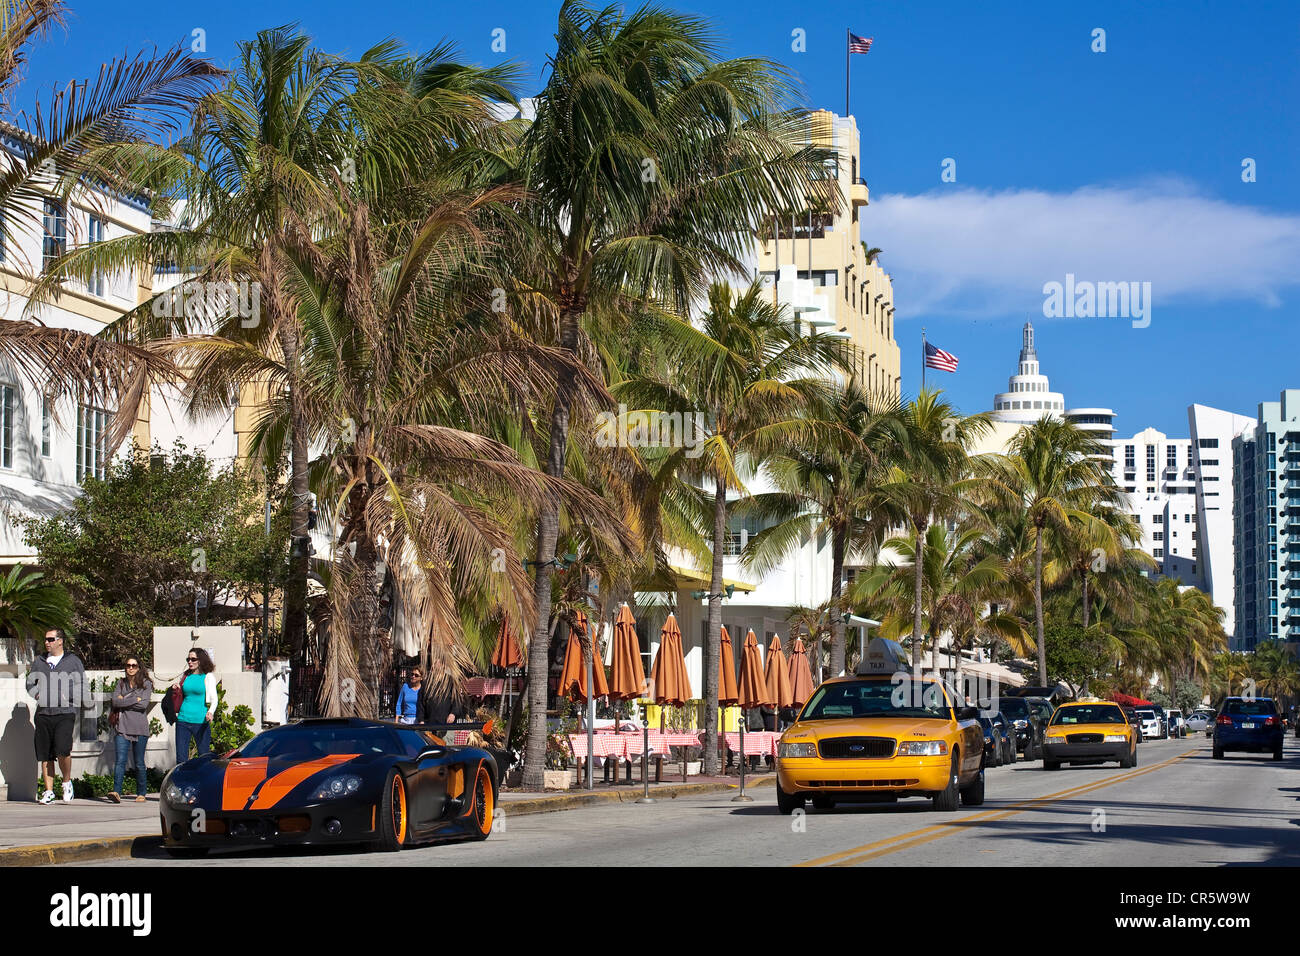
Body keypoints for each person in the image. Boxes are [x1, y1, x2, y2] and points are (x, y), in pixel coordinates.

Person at [25, 628, 87, 804]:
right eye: (45, 639)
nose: (47, 642)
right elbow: (30, 683)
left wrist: (68, 697)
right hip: (44, 713)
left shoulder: (73, 661)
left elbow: (81, 684)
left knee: (62, 749)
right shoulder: (40, 661)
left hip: (65, 712)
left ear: (60, 641)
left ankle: (66, 782)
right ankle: (49, 791)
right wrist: (37, 695)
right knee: (45, 754)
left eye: (51, 639)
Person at [109, 656, 153, 803]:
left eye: (134, 665)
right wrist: (135, 699)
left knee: (139, 762)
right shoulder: (121, 683)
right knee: (120, 760)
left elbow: (143, 705)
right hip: (122, 727)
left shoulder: (146, 684)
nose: (131, 668)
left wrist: (124, 701)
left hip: (140, 728)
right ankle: (116, 791)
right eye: (128, 665)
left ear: (139, 667)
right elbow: (115, 701)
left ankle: (141, 792)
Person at [172, 647, 216, 763]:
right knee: (181, 758)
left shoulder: (208, 677)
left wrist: (211, 712)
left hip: (200, 721)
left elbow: (214, 699)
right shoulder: (186, 676)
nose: (190, 662)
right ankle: (183, 781)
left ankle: (203, 781)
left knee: (204, 757)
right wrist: (177, 688)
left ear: (200, 660)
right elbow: (183, 694)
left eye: (193, 659)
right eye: (188, 659)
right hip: (183, 720)